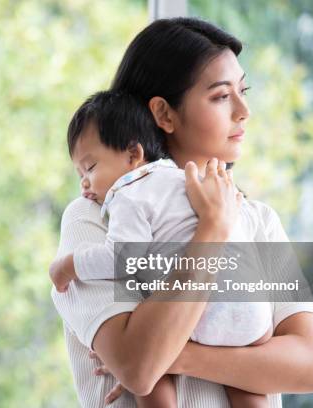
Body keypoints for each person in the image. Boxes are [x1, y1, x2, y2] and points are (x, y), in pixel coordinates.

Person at [51, 17, 313, 407]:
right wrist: (211, 230)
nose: (244, 110)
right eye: (221, 96)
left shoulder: (257, 219)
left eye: (243, 90)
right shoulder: (94, 218)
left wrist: (179, 357)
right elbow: (139, 367)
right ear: (164, 114)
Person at [49, 90, 272, 407]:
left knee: (151, 371)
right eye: (80, 174)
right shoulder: (195, 183)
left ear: (133, 156)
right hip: (252, 310)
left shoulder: (129, 192)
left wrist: (68, 266)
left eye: (90, 167)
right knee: (250, 384)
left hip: (199, 310)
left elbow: (122, 258)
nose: (84, 183)